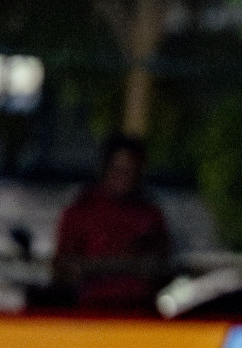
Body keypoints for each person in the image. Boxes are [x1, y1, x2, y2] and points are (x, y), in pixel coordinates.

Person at [53, 134, 171, 313]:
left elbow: (159, 265)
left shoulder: (149, 214)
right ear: (105, 168)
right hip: (92, 312)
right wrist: (123, 265)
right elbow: (64, 268)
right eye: (119, 170)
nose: (125, 178)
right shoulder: (82, 211)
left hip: (141, 313)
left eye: (131, 171)